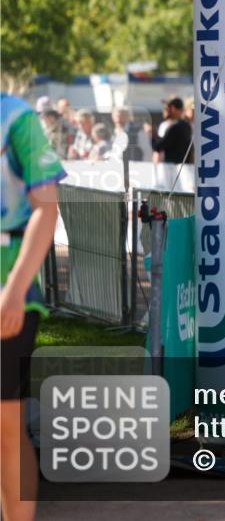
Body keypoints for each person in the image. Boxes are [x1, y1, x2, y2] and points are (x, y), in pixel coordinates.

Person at [1, 93, 65, 521]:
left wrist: (15, 289)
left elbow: (47, 207)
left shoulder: (16, 118)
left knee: (5, 426)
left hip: (8, 284)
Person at [152, 97, 193, 164]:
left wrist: (153, 133)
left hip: (173, 169)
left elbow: (157, 147)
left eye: (168, 107)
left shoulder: (177, 127)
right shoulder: (186, 125)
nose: (165, 109)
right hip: (180, 167)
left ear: (173, 109)